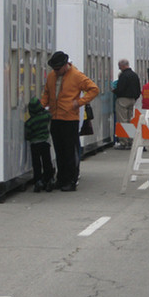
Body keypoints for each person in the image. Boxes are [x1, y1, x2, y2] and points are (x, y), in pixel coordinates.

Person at [40, 51, 99, 192]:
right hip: (55, 117)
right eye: (54, 69)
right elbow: (47, 93)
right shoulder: (51, 76)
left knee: (69, 151)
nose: (56, 71)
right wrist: (42, 106)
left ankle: (71, 180)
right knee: (59, 151)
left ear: (66, 65)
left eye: (58, 68)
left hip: (69, 118)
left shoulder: (76, 76)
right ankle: (61, 179)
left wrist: (79, 102)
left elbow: (94, 89)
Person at [25, 96, 54, 193]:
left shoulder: (29, 122)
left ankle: (38, 181)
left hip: (34, 144)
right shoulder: (45, 116)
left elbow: (27, 135)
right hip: (45, 143)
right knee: (47, 162)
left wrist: (29, 138)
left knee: (36, 163)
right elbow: (50, 115)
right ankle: (49, 179)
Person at [112, 59, 141, 149]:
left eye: (119, 66)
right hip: (132, 100)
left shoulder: (124, 76)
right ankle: (130, 140)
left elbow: (120, 88)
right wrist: (135, 98)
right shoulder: (134, 75)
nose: (119, 68)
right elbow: (138, 89)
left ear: (123, 66)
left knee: (122, 121)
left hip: (123, 100)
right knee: (129, 120)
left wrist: (114, 91)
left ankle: (123, 142)